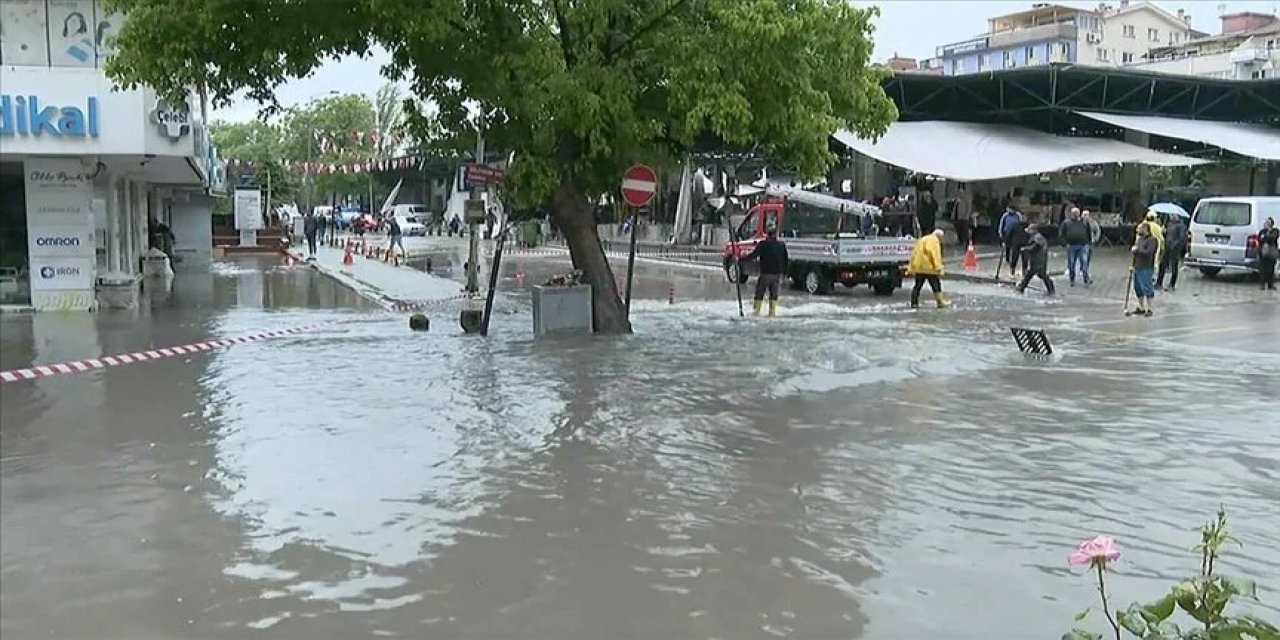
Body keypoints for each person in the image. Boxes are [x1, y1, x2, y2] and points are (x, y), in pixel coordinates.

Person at [741, 226, 788, 317]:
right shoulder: (781, 245)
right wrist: (784, 273)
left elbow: (753, 255)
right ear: (776, 235)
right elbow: (786, 260)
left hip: (765, 274)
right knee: (774, 294)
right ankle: (772, 312)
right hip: (777, 275)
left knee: (760, 292)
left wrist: (742, 259)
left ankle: (756, 311)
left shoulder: (763, 244)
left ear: (767, 234)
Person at [907, 229, 951, 309]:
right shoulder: (934, 241)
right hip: (929, 267)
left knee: (917, 286)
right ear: (939, 236)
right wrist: (938, 267)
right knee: (936, 285)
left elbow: (914, 253)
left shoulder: (922, 239)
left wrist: (911, 267)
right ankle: (940, 302)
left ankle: (914, 303)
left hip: (919, 267)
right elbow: (935, 254)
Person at [1129, 222, 1159, 317]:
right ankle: (1141, 307)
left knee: (1147, 286)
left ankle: (1150, 308)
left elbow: (1149, 252)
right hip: (1137, 266)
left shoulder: (1152, 240)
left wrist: (1137, 250)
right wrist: (1132, 265)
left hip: (1146, 266)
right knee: (1138, 287)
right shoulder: (1139, 240)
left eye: (1139, 228)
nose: (1137, 230)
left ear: (1145, 229)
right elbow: (1135, 255)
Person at [1017, 223, 1055, 295]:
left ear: (1034, 231)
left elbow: (1035, 247)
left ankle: (1050, 288)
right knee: (1035, 274)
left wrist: (1025, 249)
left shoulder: (1037, 237)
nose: (1028, 233)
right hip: (1037, 259)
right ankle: (1022, 287)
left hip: (1038, 259)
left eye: (1029, 230)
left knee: (1037, 274)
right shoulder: (1036, 237)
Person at [1060, 207, 1092, 287]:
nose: (1075, 215)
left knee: (1084, 262)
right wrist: (1064, 243)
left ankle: (1086, 278)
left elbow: (1089, 232)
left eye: (1077, 213)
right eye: (1074, 213)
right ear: (1071, 214)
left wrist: (1089, 242)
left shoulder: (1084, 222)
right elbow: (1061, 233)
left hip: (1083, 245)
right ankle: (1072, 279)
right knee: (1071, 264)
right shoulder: (1066, 223)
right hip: (1071, 246)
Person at [1157, 214, 1187, 292]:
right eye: (1171, 215)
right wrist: (1164, 232)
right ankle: (1159, 282)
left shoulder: (1181, 226)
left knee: (1174, 265)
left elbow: (1182, 238)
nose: (1172, 216)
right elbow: (1167, 235)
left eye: (1174, 215)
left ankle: (1172, 284)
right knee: (1162, 264)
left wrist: (1174, 244)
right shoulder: (1169, 224)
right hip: (1167, 247)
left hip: (1175, 248)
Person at [998, 205, 1023, 277]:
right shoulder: (1005, 215)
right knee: (1007, 247)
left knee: (1015, 248)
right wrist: (1000, 233)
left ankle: (1013, 263)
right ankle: (1007, 259)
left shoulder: (1018, 215)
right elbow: (1001, 224)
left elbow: (1021, 223)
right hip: (1007, 232)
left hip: (1015, 233)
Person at [1259, 217, 1279, 291]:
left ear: (1271, 224)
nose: (1266, 224)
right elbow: (1260, 239)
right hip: (1263, 252)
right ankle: (1262, 285)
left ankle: (1270, 285)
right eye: (1266, 223)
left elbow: (1272, 238)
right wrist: (1265, 237)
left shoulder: (1275, 231)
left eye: (1268, 223)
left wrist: (1266, 236)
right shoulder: (1262, 231)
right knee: (1262, 269)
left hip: (1272, 252)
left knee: (1271, 269)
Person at [1082, 209, 1101, 279]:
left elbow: (1098, 230)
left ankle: (1085, 270)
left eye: (1086, 215)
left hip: (1091, 243)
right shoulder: (1080, 223)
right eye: (1083, 215)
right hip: (1083, 244)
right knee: (1084, 258)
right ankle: (1085, 273)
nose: (1084, 216)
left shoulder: (1093, 222)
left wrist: (1095, 239)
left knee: (1088, 258)